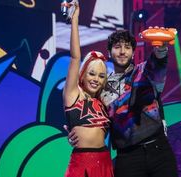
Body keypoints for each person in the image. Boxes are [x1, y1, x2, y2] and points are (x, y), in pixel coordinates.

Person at [67, 28, 178, 177]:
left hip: (159, 151)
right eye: (117, 47)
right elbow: (86, 107)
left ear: (133, 52)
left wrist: (162, 48)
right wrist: (79, 134)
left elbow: (158, 62)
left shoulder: (144, 71)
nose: (122, 51)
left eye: (127, 47)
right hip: (127, 158)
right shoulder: (102, 86)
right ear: (109, 52)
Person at [62, 1, 114, 177]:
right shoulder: (73, 95)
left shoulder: (104, 102)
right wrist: (75, 20)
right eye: (92, 74)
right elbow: (75, 57)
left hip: (105, 161)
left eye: (101, 76)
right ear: (82, 74)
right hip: (81, 163)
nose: (96, 79)